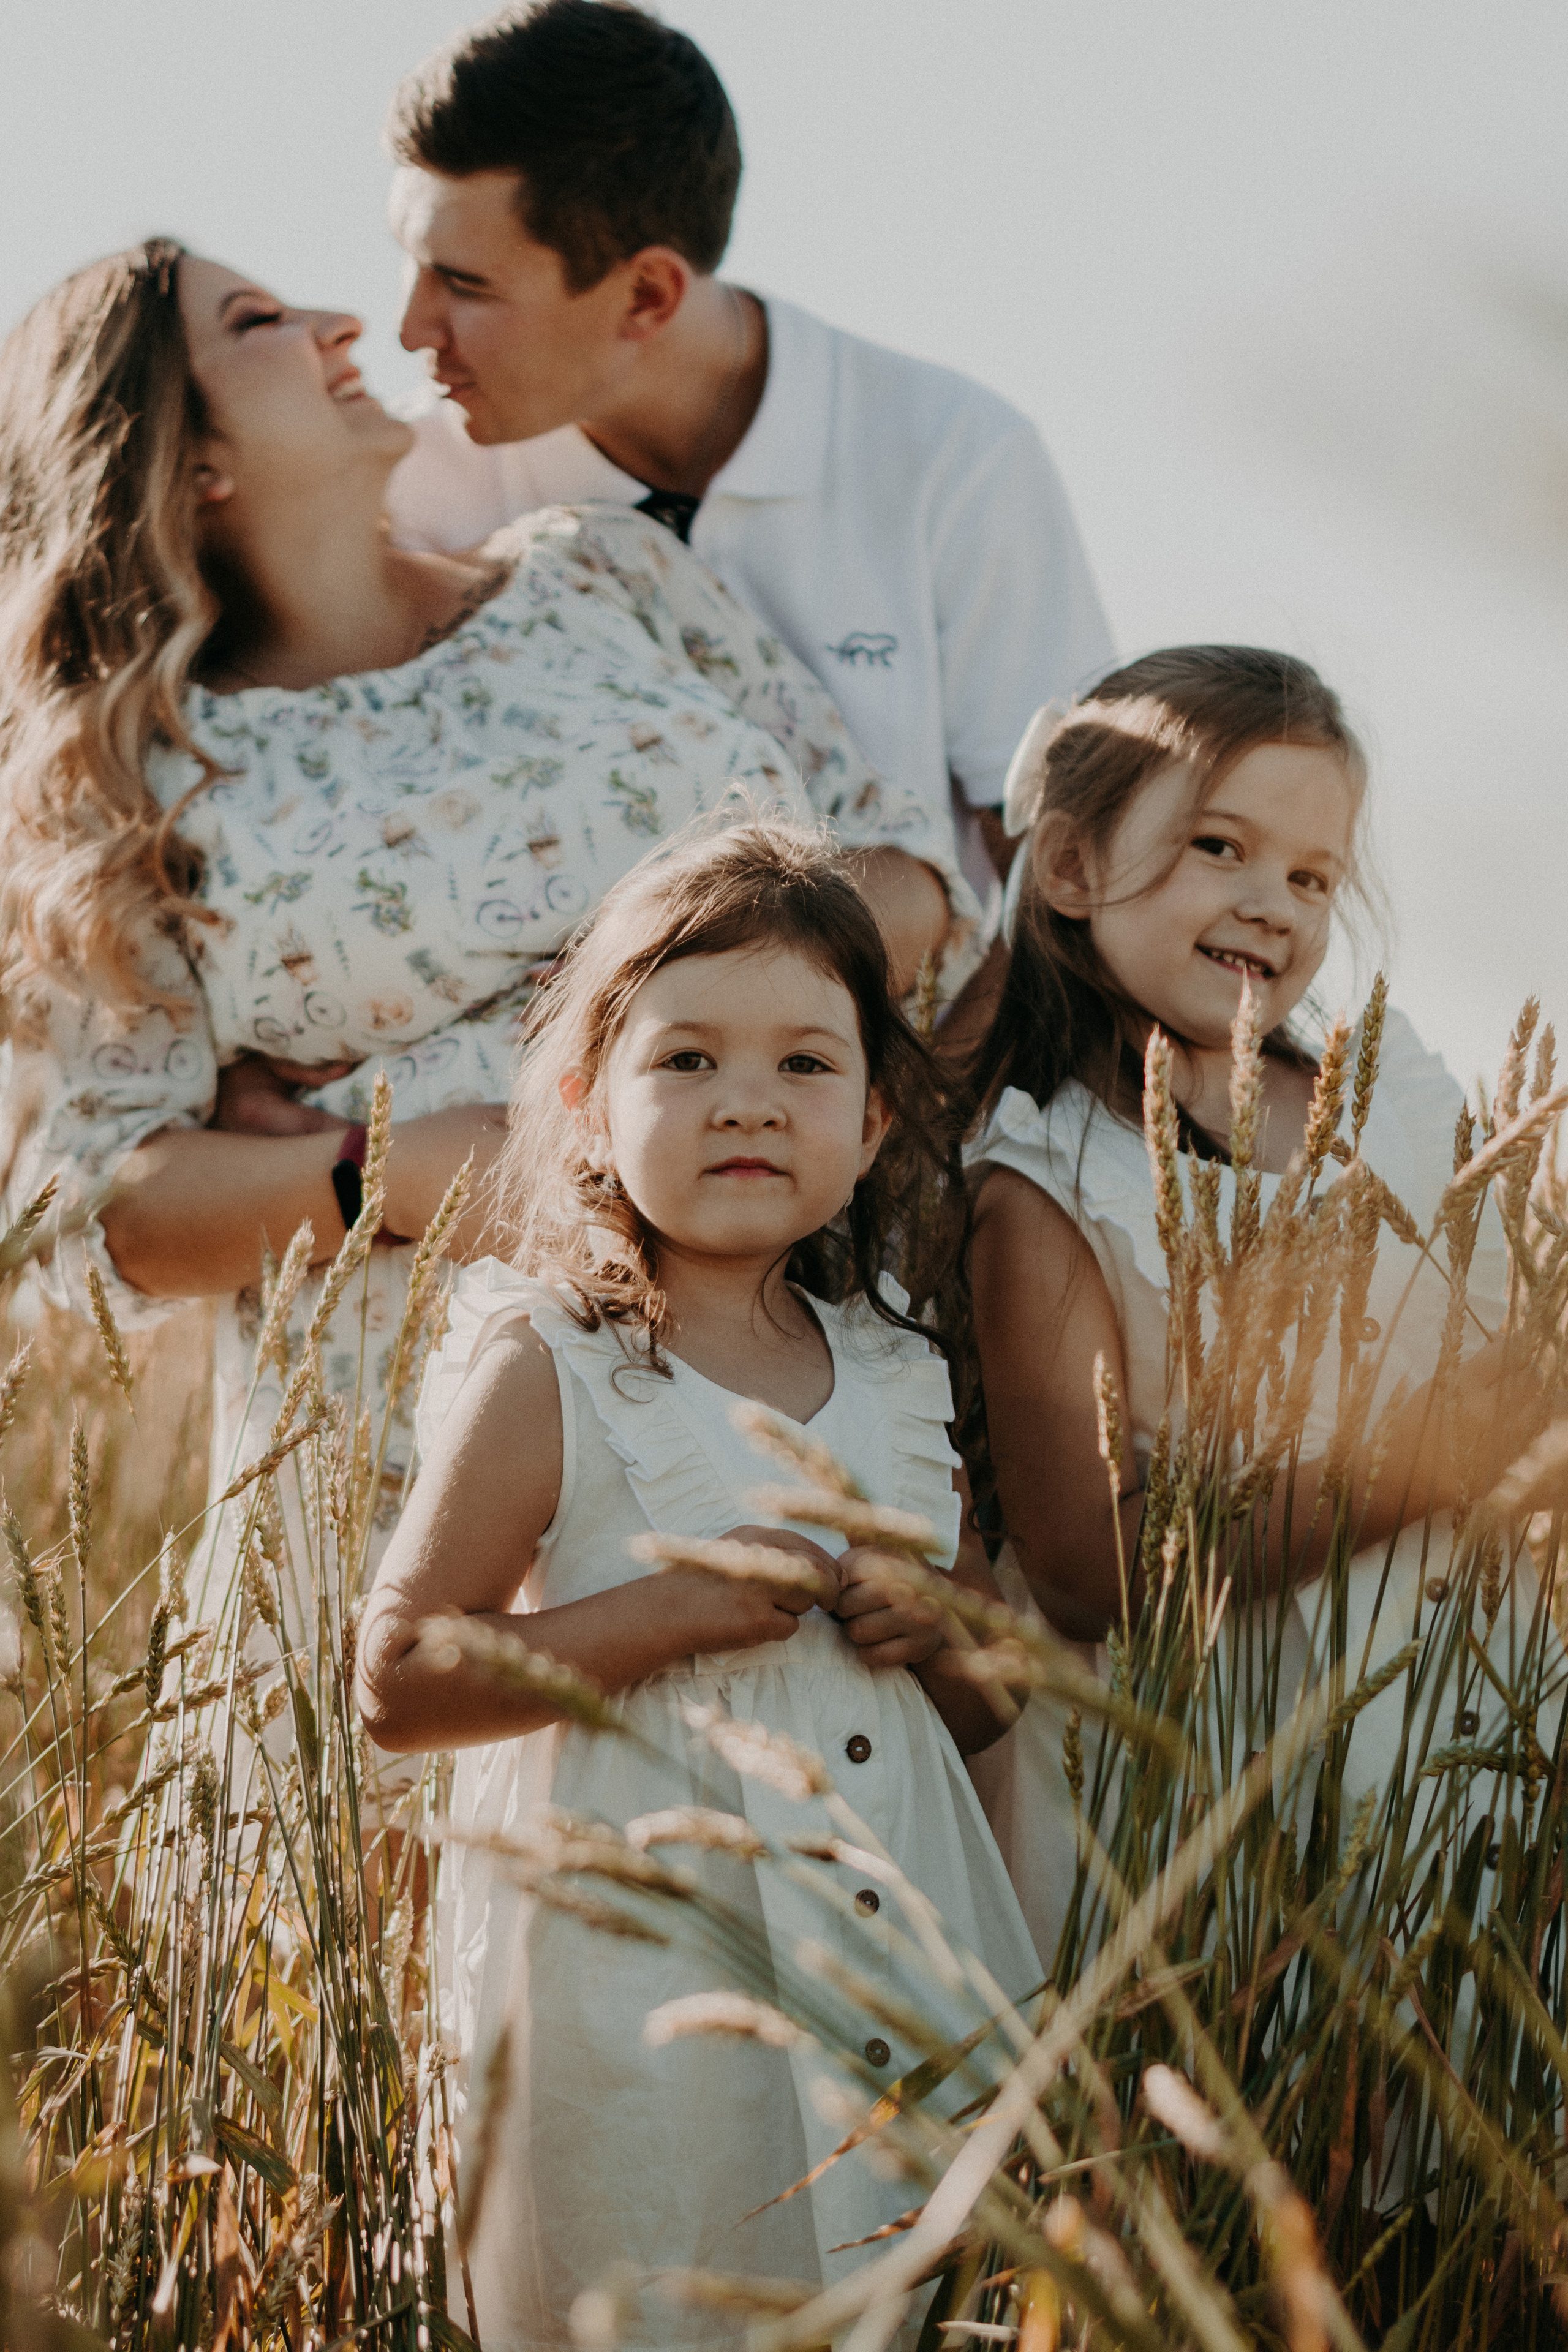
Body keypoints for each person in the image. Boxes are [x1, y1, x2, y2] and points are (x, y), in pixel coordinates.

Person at [0, 241, 967, 1755]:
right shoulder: (140, 783)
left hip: (790, 1359)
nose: (337, 321)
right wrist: (389, 1163)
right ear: (185, 466)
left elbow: (901, 882)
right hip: (418, 1458)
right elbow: (89, 1213)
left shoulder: (600, 572)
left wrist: (659, 1019)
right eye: (256, 324)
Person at [356, 820, 1038, 2350]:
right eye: (687, 1062)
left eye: (804, 1065)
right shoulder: (555, 1365)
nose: (747, 1100)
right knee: (667, 2280)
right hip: (647, 1990)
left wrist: (932, 1626)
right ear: (587, 1107)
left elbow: (991, 1698)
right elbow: (398, 1677)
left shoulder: (899, 1373)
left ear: (871, 1125)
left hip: (897, 1959)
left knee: (901, 2294)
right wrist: (658, 1617)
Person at [960, 646, 1549, 1967]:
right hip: (1210, 1759)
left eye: (1311, 875)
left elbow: (1516, 1346)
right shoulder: (1049, 1182)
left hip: (1454, 1687)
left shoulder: (1391, 1089)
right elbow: (1075, 1571)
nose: (1268, 904)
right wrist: (1409, 1470)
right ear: (1066, 869)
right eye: (1218, 847)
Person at [382, 0, 1113, 918]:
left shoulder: (956, 458)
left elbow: (1062, 871)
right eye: (412, 264)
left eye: (464, 284)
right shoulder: (398, 487)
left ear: (648, 294)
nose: (410, 328)